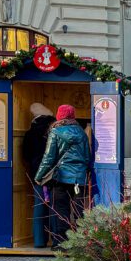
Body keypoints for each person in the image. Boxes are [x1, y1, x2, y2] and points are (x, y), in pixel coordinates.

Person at [35, 104, 92, 248]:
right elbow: (87, 157)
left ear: (59, 116)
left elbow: (48, 158)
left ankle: (62, 242)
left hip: (61, 178)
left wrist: (39, 176)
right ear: (73, 116)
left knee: (61, 210)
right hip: (80, 178)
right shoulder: (81, 132)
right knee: (80, 211)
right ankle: (81, 243)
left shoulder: (55, 132)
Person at [22, 102, 55, 248]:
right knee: (55, 207)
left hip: (37, 174)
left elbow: (26, 155)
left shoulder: (29, 133)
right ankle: (57, 241)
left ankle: (39, 241)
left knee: (39, 206)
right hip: (54, 173)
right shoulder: (53, 132)